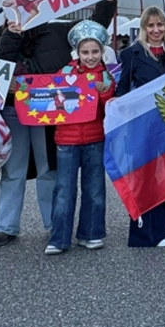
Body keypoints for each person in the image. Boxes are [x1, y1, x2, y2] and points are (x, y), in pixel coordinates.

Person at [0, 0, 117, 248]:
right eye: (17, 6)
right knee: (13, 169)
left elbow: (93, 27)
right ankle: (6, 226)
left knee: (49, 169)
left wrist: (107, 2)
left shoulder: (59, 31)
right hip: (14, 110)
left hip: (52, 113)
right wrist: (13, 35)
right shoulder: (3, 34)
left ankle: (53, 223)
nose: (24, 10)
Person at [114, 5, 165, 247]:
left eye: (160, 24)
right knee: (145, 178)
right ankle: (150, 232)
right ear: (143, 28)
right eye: (150, 25)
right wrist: (115, 100)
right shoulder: (132, 53)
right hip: (143, 126)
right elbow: (123, 87)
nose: (156, 29)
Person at [45, 21, 114, 254]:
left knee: (94, 189)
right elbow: (51, 104)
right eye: (85, 52)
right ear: (77, 52)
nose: (90, 56)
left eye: (95, 52)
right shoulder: (63, 74)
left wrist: (104, 95)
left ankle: (91, 234)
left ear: (102, 52)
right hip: (66, 141)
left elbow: (109, 110)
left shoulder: (106, 76)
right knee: (64, 189)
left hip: (95, 139)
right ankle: (58, 238)